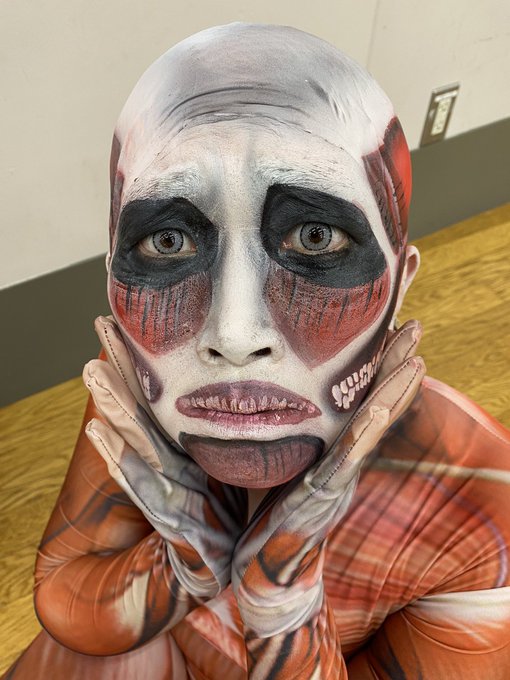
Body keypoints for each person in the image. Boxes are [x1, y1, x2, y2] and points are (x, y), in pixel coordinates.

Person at [4, 23, 510, 680]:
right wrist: (188, 564)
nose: (234, 335)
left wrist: (280, 598)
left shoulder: (478, 497)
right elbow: (65, 595)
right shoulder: (144, 399)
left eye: (315, 235)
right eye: (168, 242)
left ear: (400, 281)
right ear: (112, 280)